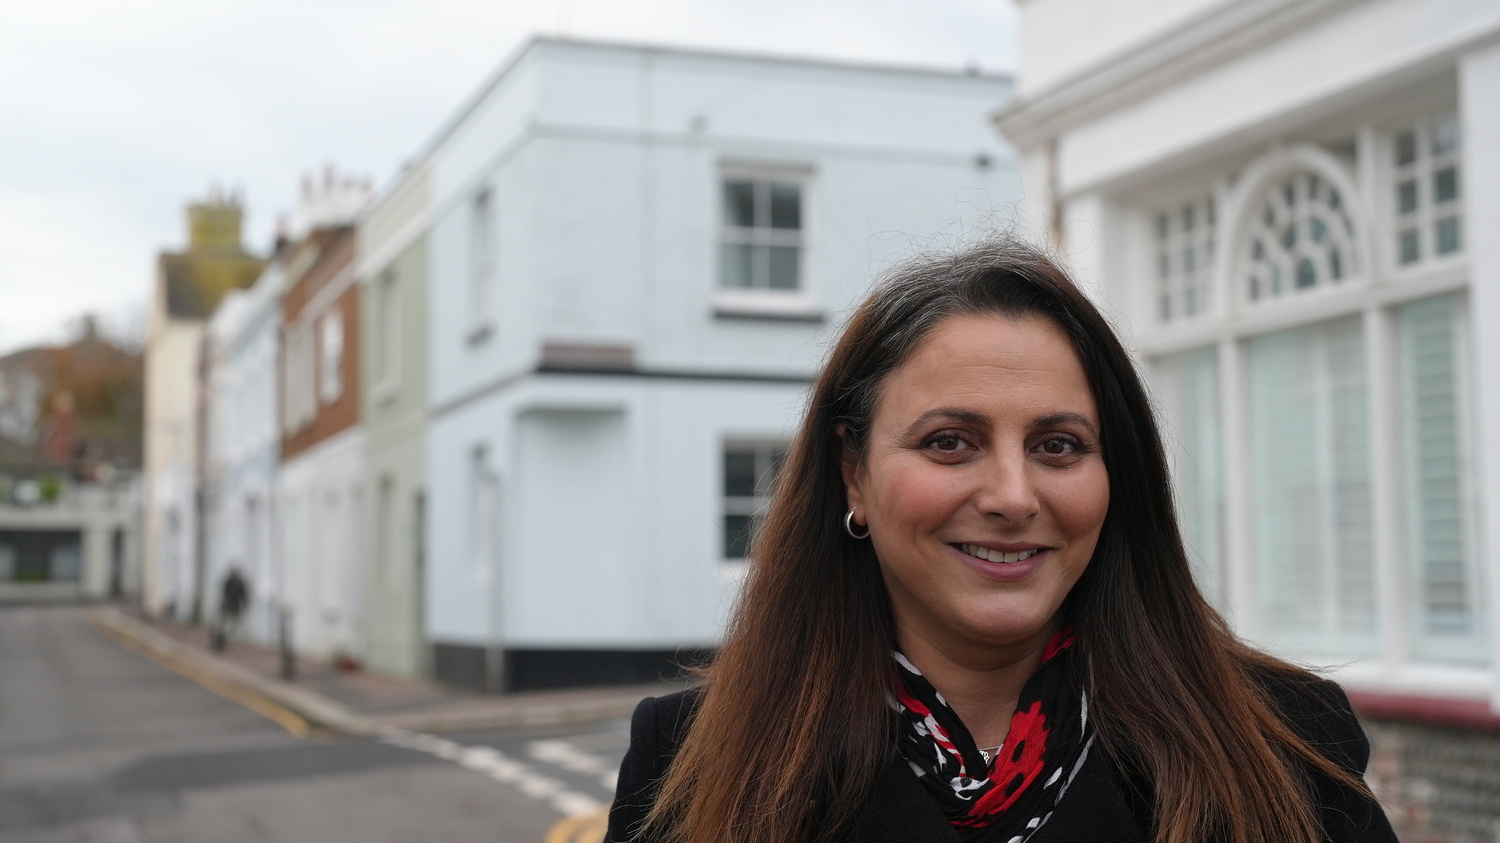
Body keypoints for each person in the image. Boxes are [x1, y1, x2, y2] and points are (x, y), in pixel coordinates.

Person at [606, 238, 1398, 843]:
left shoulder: (1286, 744)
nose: (1013, 497)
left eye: (1058, 445)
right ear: (854, 474)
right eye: (950, 441)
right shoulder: (691, 762)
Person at [216, 566, 249, 651]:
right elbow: (225, 594)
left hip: (236, 605)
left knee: (235, 621)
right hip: (228, 605)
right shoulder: (228, 582)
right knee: (228, 622)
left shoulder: (239, 583)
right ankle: (226, 637)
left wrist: (244, 603)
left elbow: (243, 594)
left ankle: (234, 636)